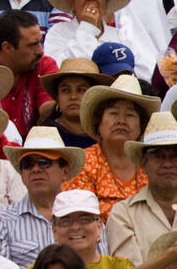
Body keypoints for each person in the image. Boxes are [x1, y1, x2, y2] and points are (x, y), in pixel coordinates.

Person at [67, 74, 160, 222]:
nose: (121, 121)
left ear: (142, 126)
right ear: (99, 121)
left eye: (130, 115)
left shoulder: (152, 163)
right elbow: (80, 221)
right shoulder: (84, 163)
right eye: (113, 113)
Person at [0, 127, 87, 269]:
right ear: (22, 174)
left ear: (65, 171)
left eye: (44, 162)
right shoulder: (3, 221)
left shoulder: (87, 218)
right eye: (28, 164)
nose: (35, 169)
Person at [107, 112, 177, 266]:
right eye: (158, 156)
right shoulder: (123, 214)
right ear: (144, 164)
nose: (168, 164)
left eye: (175, 156)